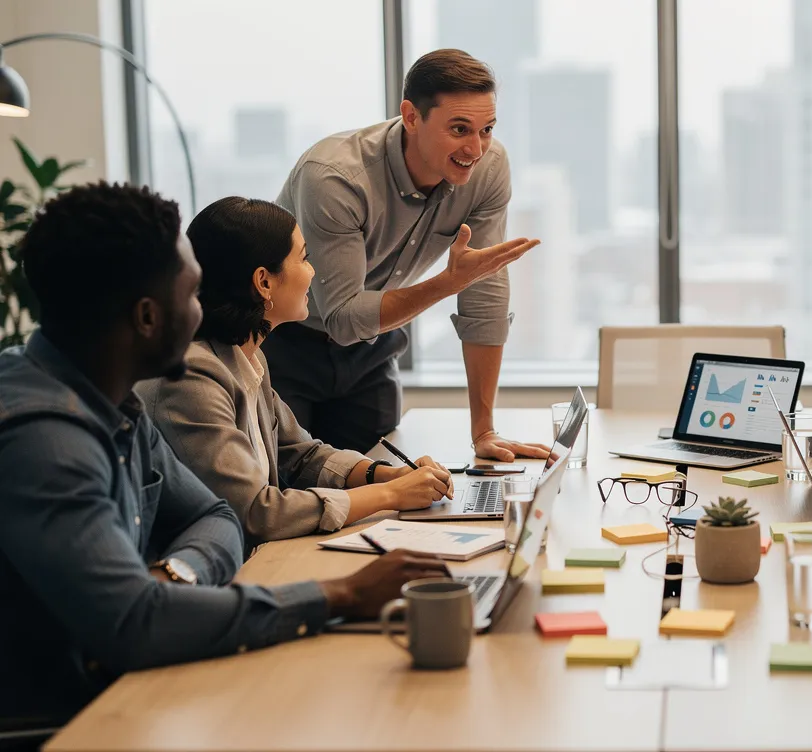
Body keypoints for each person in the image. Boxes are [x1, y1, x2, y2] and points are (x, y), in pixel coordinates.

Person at [0, 183, 448, 723]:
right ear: (146, 317)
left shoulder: (110, 398)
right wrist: (341, 596)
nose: (203, 313)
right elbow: (137, 622)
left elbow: (216, 515)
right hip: (70, 720)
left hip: (132, 684)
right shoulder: (46, 440)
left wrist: (175, 576)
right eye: (191, 296)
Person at [267, 48, 545, 458]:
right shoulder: (336, 177)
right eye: (459, 129)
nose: (476, 149)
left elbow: (482, 295)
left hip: (373, 344)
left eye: (486, 129)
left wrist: (484, 432)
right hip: (284, 341)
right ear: (412, 117)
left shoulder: (488, 168)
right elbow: (342, 317)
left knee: (381, 485)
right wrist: (449, 282)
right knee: (293, 488)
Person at [139, 197, 458, 551]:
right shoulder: (191, 378)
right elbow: (254, 513)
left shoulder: (245, 356)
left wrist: (389, 474)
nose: (313, 271)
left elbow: (300, 454)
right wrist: (388, 494)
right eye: (304, 258)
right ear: (264, 282)